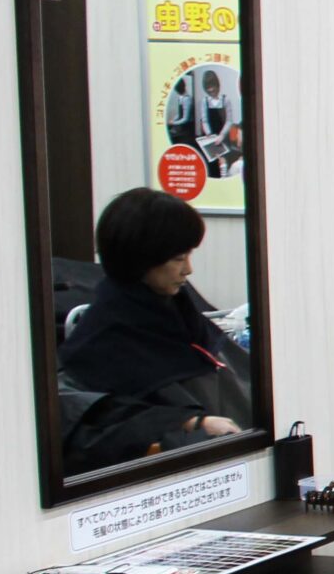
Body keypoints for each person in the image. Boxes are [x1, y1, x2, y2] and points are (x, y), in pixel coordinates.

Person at [59, 187, 251, 470]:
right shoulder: (106, 340)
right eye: (178, 259)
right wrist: (189, 422)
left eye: (188, 256)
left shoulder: (177, 310)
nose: (188, 269)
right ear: (142, 261)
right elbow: (96, 421)